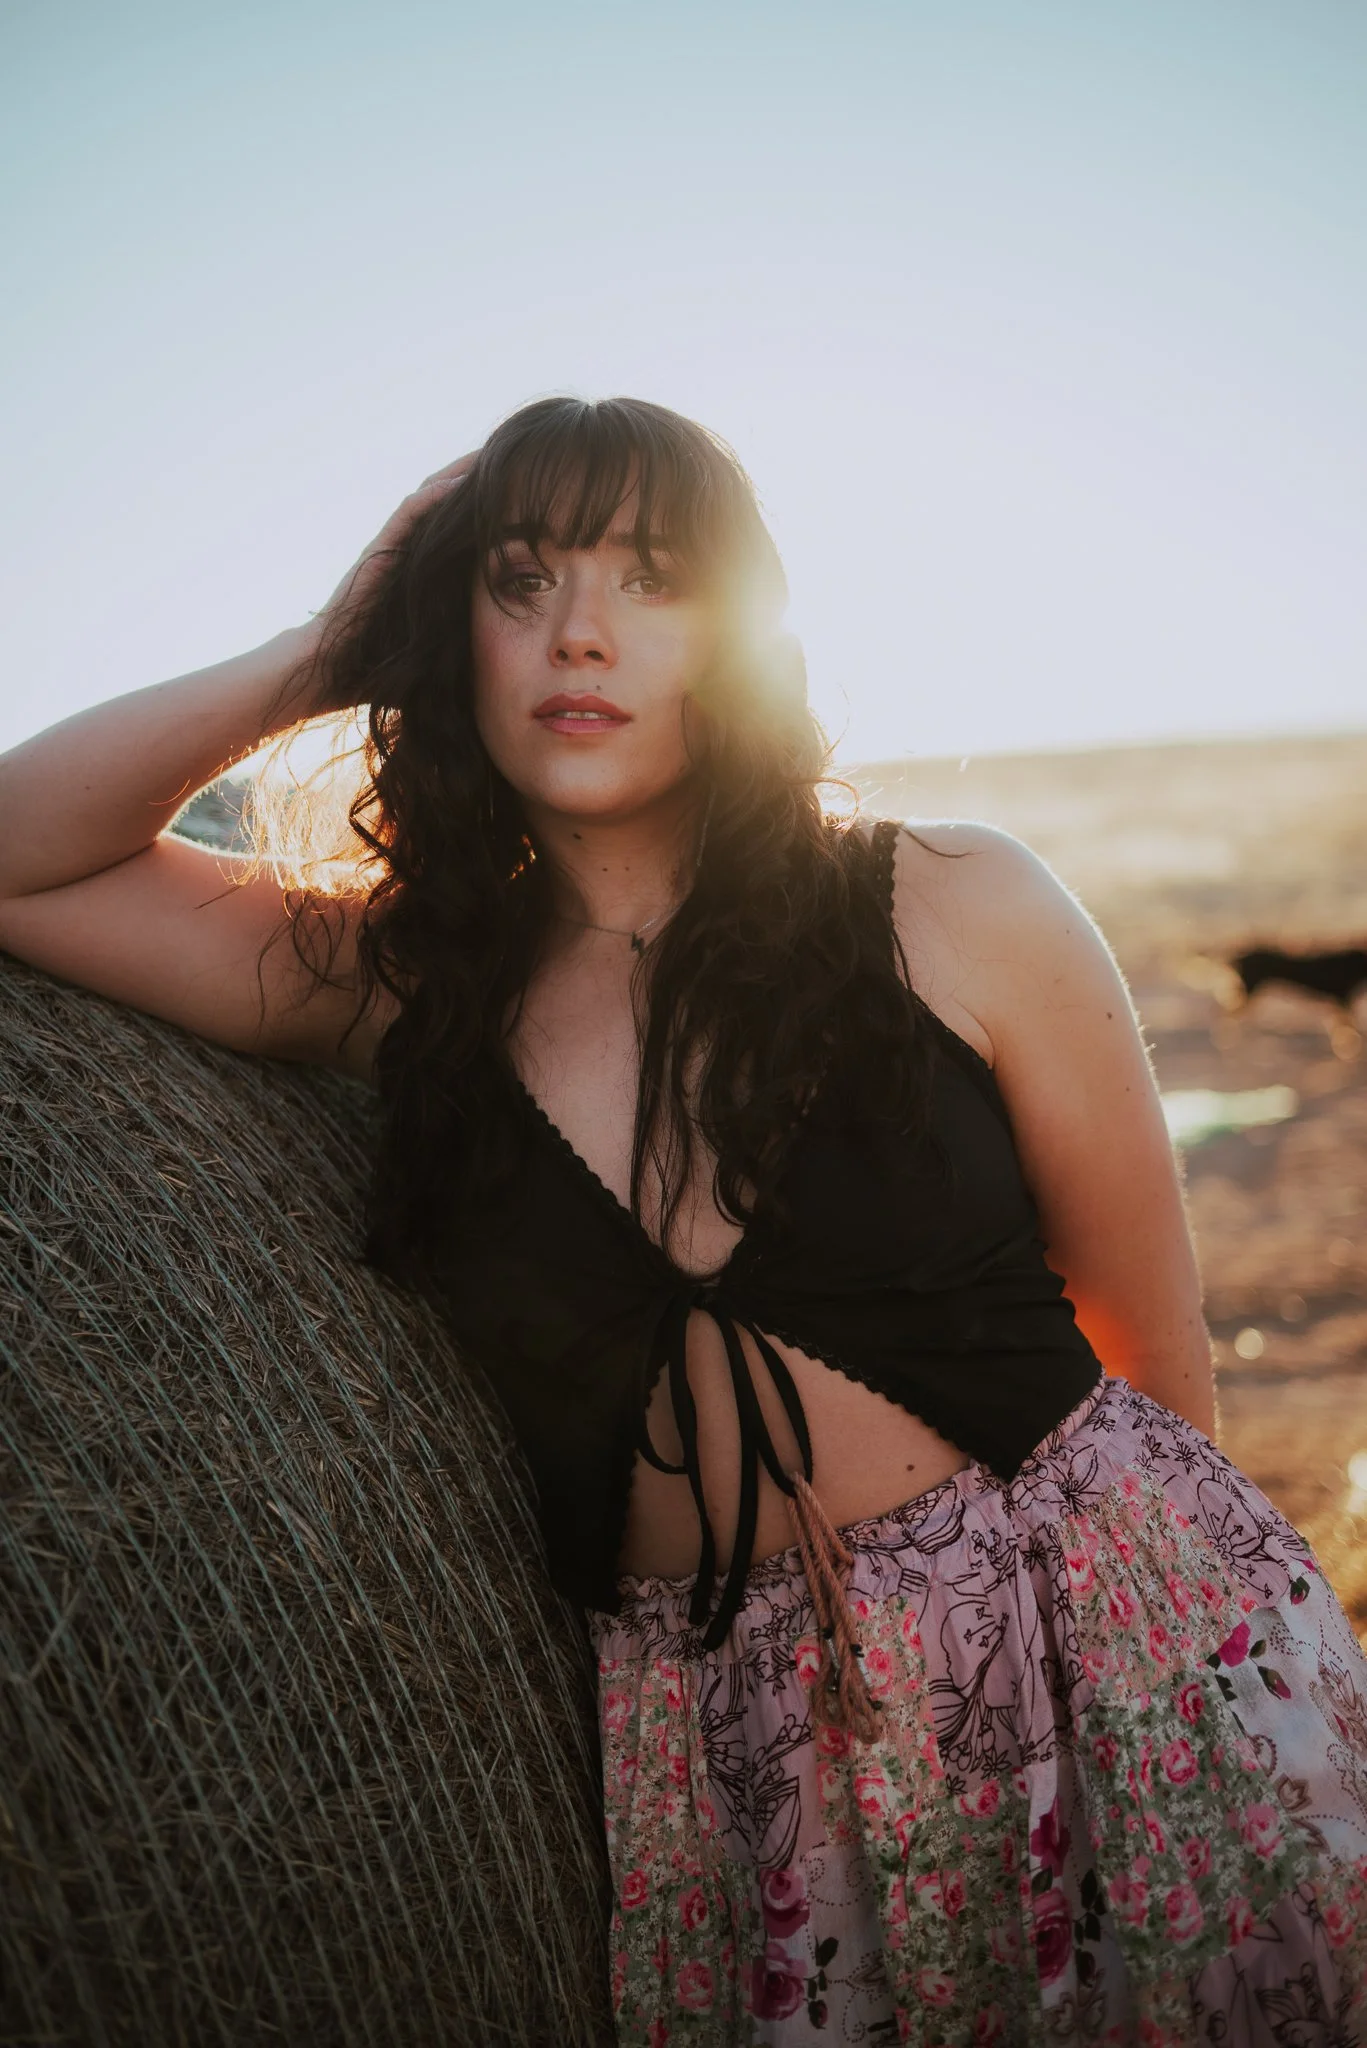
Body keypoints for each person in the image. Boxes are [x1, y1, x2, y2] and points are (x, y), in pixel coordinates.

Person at [2, 395, 1365, 2044]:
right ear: (456, 636)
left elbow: (1154, 1353)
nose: (582, 632)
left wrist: (1162, 1715)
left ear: (739, 633)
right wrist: (326, 646)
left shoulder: (954, 900)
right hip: (737, 1774)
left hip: (1105, 1656)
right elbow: (23, 863)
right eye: (518, 582)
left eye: (651, 577)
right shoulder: (403, 989)